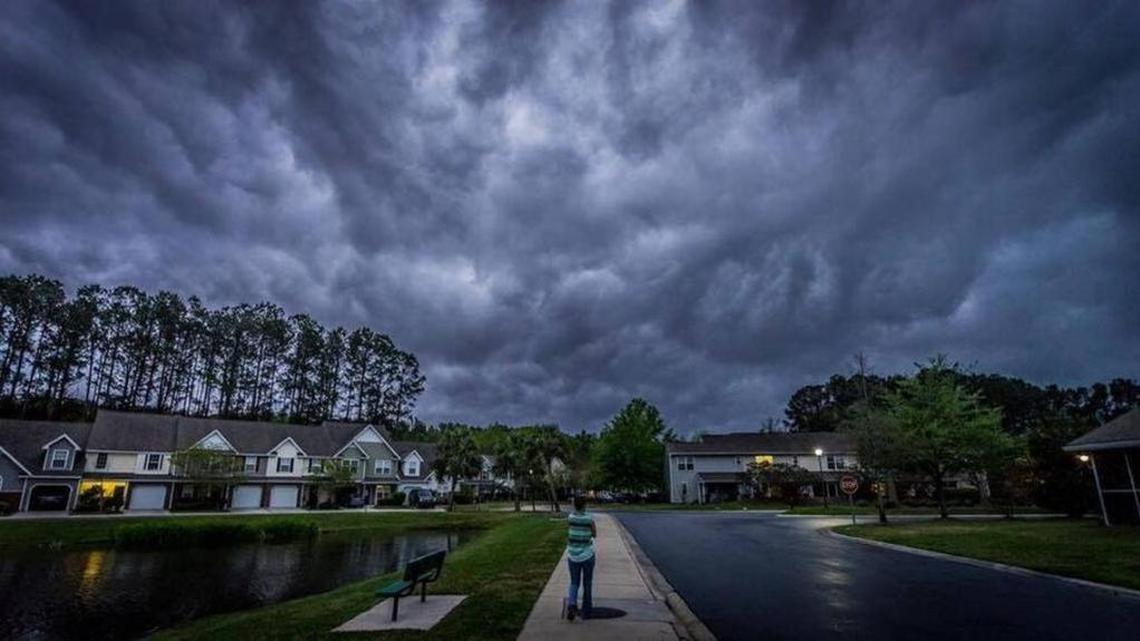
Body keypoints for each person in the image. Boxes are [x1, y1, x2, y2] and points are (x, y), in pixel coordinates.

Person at [566, 495, 596, 621]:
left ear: (574, 505)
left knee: (574, 582)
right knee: (587, 582)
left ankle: (572, 605)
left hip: (572, 555)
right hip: (587, 555)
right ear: (584, 505)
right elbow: (594, 533)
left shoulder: (570, 518)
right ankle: (586, 610)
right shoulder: (589, 518)